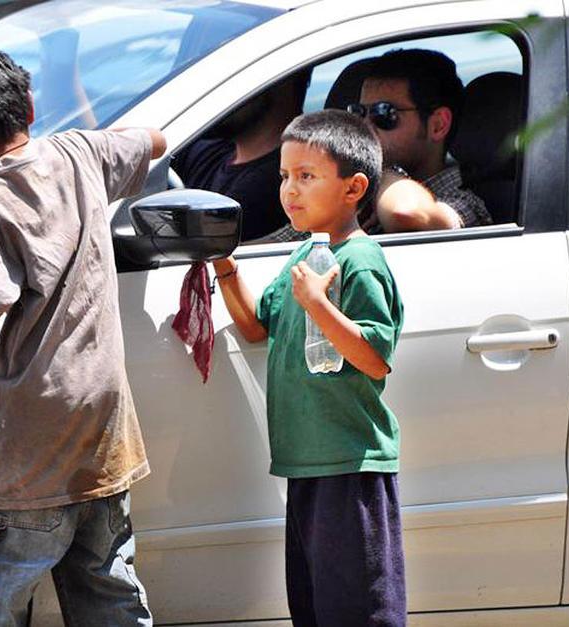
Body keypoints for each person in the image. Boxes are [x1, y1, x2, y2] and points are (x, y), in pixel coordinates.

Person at [0, 41, 166, 626]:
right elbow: (154, 141)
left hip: (31, 444)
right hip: (104, 429)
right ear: (29, 108)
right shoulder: (81, 152)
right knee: (108, 586)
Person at [212, 109, 406, 625]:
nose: (289, 191)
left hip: (350, 462)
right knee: (315, 606)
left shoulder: (361, 261)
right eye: (284, 176)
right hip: (307, 464)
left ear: (354, 187)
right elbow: (259, 325)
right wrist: (224, 266)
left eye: (306, 176)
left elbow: (374, 357)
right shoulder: (305, 254)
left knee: (359, 607)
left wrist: (321, 304)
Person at [272, 48, 491, 243]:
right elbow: (270, 246)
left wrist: (383, 172)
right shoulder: (353, 195)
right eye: (358, 113)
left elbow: (405, 212)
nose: (365, 125)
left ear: (438, 125)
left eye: (384, 113)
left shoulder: (464, 200)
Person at [172, 70, 311, 242]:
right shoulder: (208, 151)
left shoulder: (268, 189)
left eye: (229, 82)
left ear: (281, 82)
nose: (214, 93)